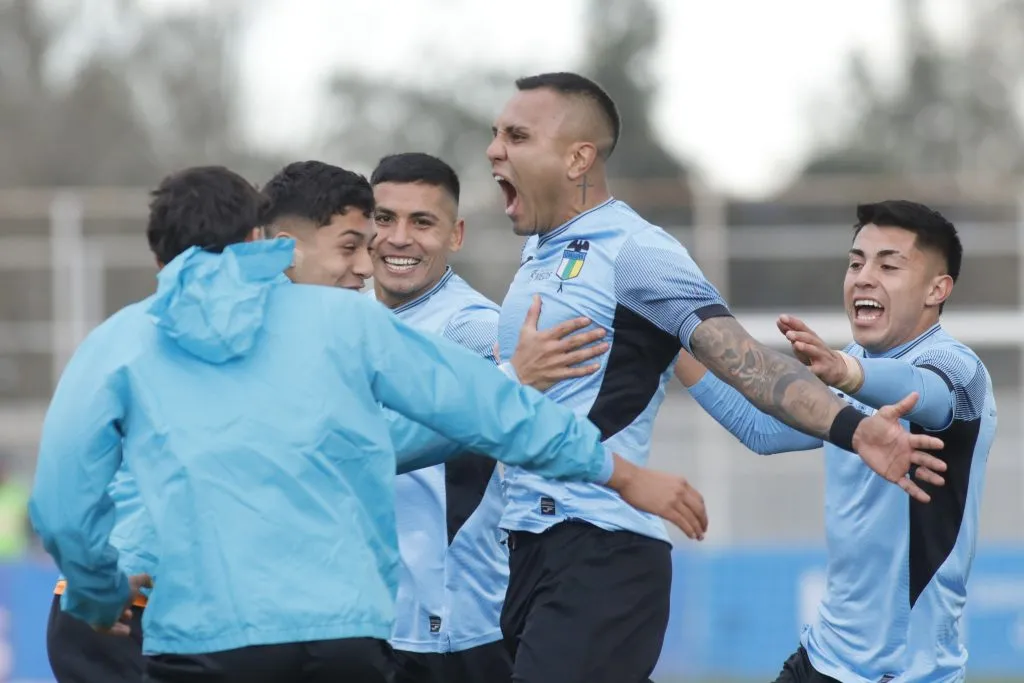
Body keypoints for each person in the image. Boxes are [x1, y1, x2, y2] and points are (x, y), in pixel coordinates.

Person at [28, 164, 707, 683]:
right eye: (353, 243)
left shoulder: (118, 344)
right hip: (337, 632)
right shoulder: (347, 324)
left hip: (186, 621)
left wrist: (96, 587)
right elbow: (482, 410)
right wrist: (616, 470)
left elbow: (61, 504)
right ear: (261, 240)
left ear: (156, 258)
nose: (366, 262)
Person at [485, 71, 948, 683]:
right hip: (529, 549)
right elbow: (742, 416)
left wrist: (855, 427)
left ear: (578, 159)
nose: (495, 149)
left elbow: (747, 364)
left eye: (516, 136)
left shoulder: (636, 253)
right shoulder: (542, 254)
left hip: (596, 551)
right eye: (495, 134)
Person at [40, 161, 381, 683]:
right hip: (157, 610)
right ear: (272, 244)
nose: (364, 268)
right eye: (349, 246)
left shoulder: (131, 333)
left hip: (155, 609)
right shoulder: (271, 341)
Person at [675, 200, 996, 683]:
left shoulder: (959, 369)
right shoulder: (850, 366)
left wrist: (846, 372)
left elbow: (923, 389)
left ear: (937, 288)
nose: (864, 276)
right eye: (856, 262)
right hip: (820, 659)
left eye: (889, 265)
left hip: (902, 673)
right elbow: (763, 428)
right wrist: (667, 345)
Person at [366, 152, 608, 683]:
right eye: (384, 219)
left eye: (421, 222)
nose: (398, 238)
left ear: (455, 235)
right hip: (367, 625)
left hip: (452, 635)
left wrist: (513, 375)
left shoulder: (471, 327)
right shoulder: (349, 315)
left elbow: (514, 397)